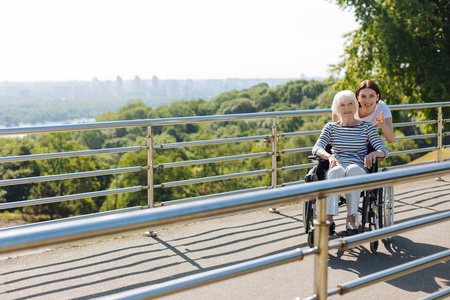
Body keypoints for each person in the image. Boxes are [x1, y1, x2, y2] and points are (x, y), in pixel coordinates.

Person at [313, 90, 389, 236]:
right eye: (342, 105)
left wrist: (375, 153)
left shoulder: (367, 127)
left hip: (359, 168)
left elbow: (384, 150)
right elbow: (316, 148)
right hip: (337, 167)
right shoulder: (331, 127)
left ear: (355, 106)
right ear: (337, 108)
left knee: (353, 169)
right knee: (336, 171)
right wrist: (329, 157)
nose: (347, 108)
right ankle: (328, 218)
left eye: (350, 104)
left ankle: (351, 218)